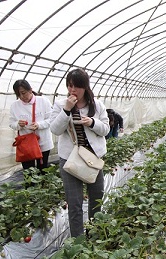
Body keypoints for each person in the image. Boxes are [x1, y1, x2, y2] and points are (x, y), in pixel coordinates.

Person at [49, 68, 110, 237]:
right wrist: (66, 110)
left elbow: (105, 129)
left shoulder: (97, 105)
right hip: (70, 159)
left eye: (76, 86)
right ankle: (78, 241)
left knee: (96, 199)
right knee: (74, 203)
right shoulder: (61, 105)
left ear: (85, 87)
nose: (72, 90)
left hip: (92, 159)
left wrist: (92, 122)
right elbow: (55, 129)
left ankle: (94, 235)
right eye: (69, 86)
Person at [9, 79, 54, 171]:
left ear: (30, 90)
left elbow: (52, 119)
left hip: (42, 142)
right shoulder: (15, 106)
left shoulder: (43, 101)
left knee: (43, 169)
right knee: (28, 172)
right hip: (26, 144)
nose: (22, 96)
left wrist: (39, 125)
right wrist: (18, 124)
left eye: (23, 93)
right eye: (18, 94)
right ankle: (30, 186)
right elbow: (11, 123)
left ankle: (42, 185)